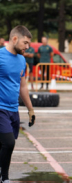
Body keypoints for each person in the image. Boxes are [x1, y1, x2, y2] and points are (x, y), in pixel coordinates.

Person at [0, 26, 35, 183]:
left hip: (13, 109)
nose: (27, 47)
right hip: (0, 108)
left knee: (3, 145)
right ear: (14, 39)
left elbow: (22, 86)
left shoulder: (22, 60)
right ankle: (4, 178)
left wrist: (30, 109)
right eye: (25, 42)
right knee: (8, 143)